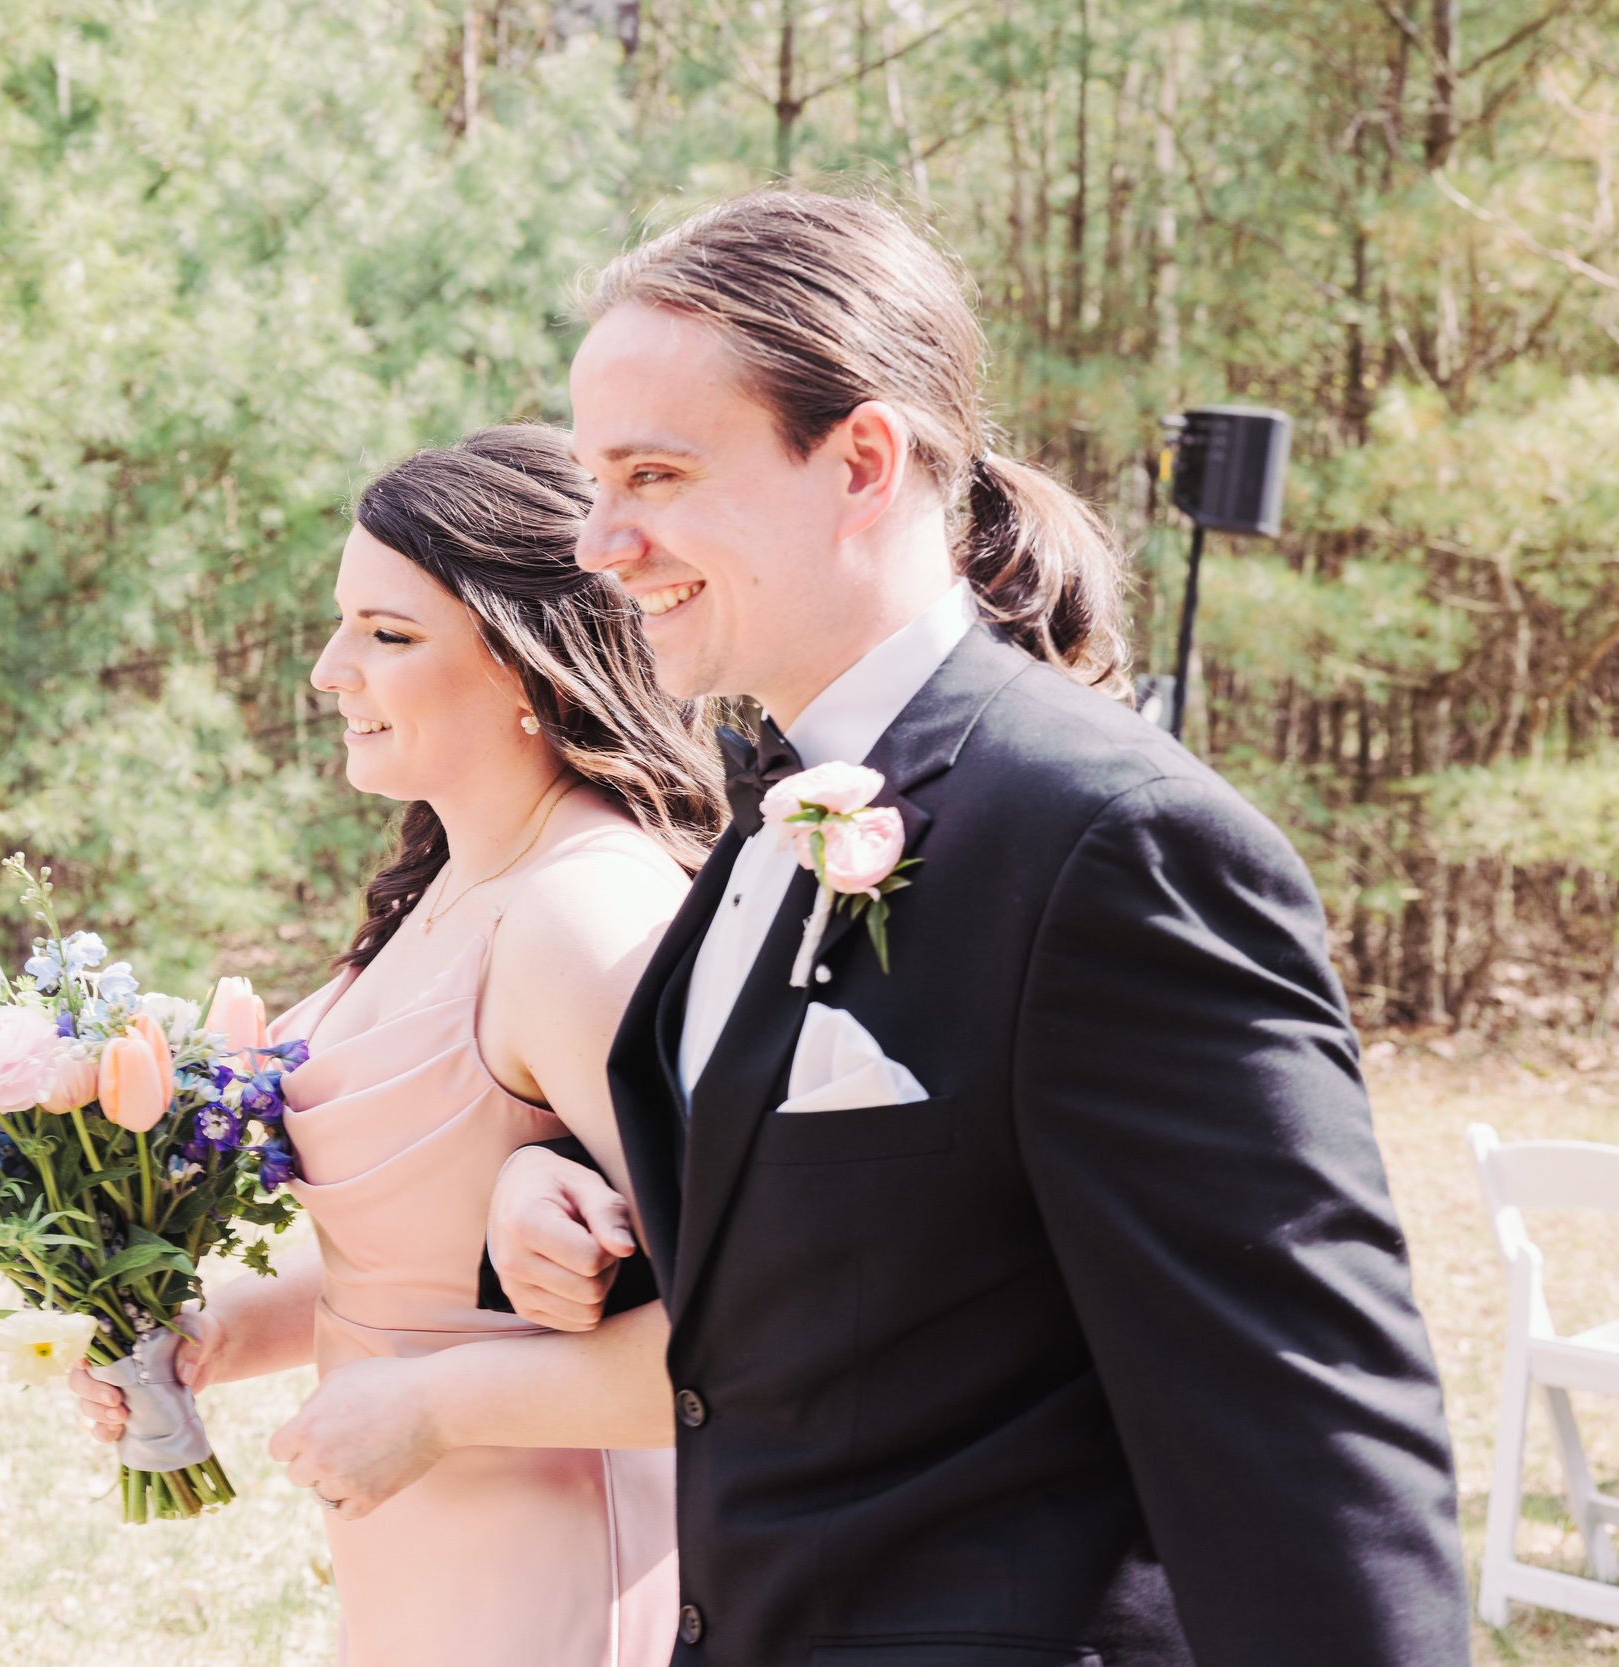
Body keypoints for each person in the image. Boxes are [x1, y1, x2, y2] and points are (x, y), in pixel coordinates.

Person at [479, 189, 1470, 1664]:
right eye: (591, 478)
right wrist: (552, 1213)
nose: (602, 540)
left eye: (655, 473)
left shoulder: (1113, 840)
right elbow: (844, 1254)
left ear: (863, 460)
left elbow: (1306, 1427)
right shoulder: (769, 803)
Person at [71, 424, 724, 1667]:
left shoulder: (585, 916)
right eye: (341, 624)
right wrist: (217, 1332)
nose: (326, 671)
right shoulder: (453, 877)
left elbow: (740, 1338)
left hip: (555, 1558)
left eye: (387, 633)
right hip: (421, 1553)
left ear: (527, 664)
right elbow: (432, 1267)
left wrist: (430, 1406)